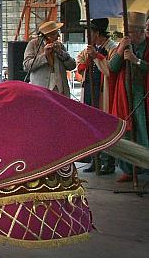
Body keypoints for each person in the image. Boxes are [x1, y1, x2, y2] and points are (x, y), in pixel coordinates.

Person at [109, 11, 149, 182]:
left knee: (142, 131)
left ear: (141, 32)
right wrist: (119, 51)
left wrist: (136, 60)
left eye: (130, 32)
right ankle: (129, 168)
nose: (127, 35)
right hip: (125, 94)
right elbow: (113, 68)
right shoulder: (123, 46)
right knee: (126, 130)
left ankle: (145, 167)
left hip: (143, 94)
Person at [76, 18, 118, 174]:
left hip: (102, 91)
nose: (88, 35)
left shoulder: (112, 48)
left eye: (90, 32)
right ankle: (95, 159)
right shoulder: (91, 47)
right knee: (91, 125)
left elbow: (110, 70)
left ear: (97, 33)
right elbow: (80, 60)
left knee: (104, 125)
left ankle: (108, 162)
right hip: (89, 88)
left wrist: (96, 57)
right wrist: (84, 63)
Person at [23, 20, 76, 97]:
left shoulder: (60, 46)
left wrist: (61, 53)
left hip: (60, 89)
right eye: (55, 33)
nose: (58, 36)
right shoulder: (33, 44)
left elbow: (72, 66)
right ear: (48, 35)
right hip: (42, 89)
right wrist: (44, 55)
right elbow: (26, 66)